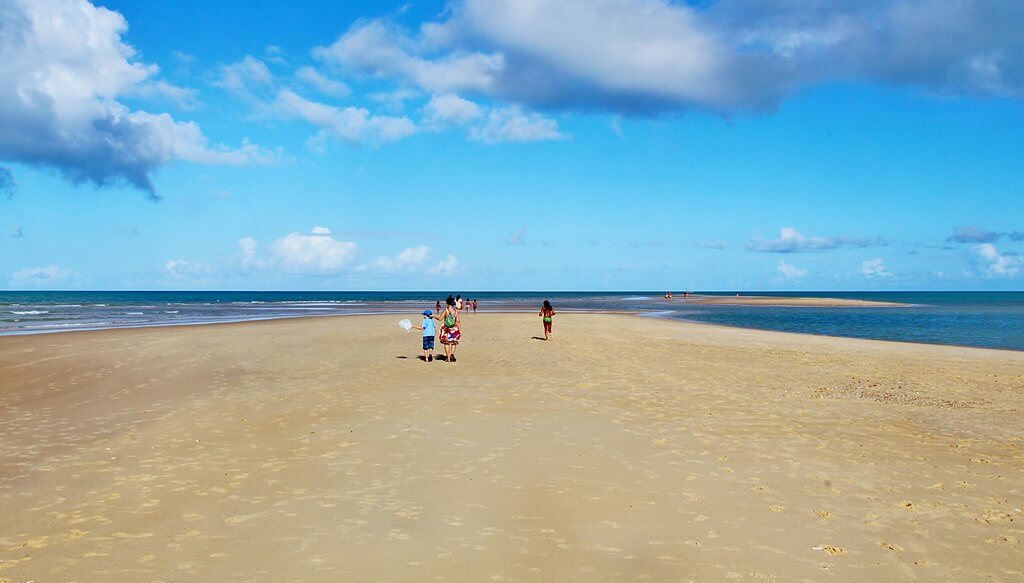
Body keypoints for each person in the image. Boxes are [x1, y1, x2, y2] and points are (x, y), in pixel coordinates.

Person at [439, 296, 461, 362]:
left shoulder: (446, 310)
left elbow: (440, 319)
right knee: (454, 343)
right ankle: (452, 354)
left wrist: (433, 316)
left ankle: (448, 358)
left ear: (447, 303)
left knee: (446, 343)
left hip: (446, 329)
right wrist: (459, 330)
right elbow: (458, 321)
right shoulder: (456, 311)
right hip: (454, 329)